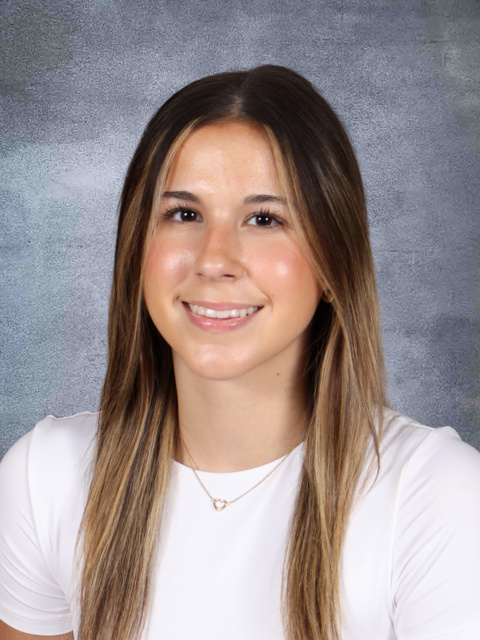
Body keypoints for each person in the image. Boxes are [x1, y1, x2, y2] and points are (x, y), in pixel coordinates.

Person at [1, 65, 479, 640]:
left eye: (264, 219)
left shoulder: (436, 496)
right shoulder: (45, 477)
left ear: (335, 261)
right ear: (136, 247)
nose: (214, 259)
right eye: (184, 214)